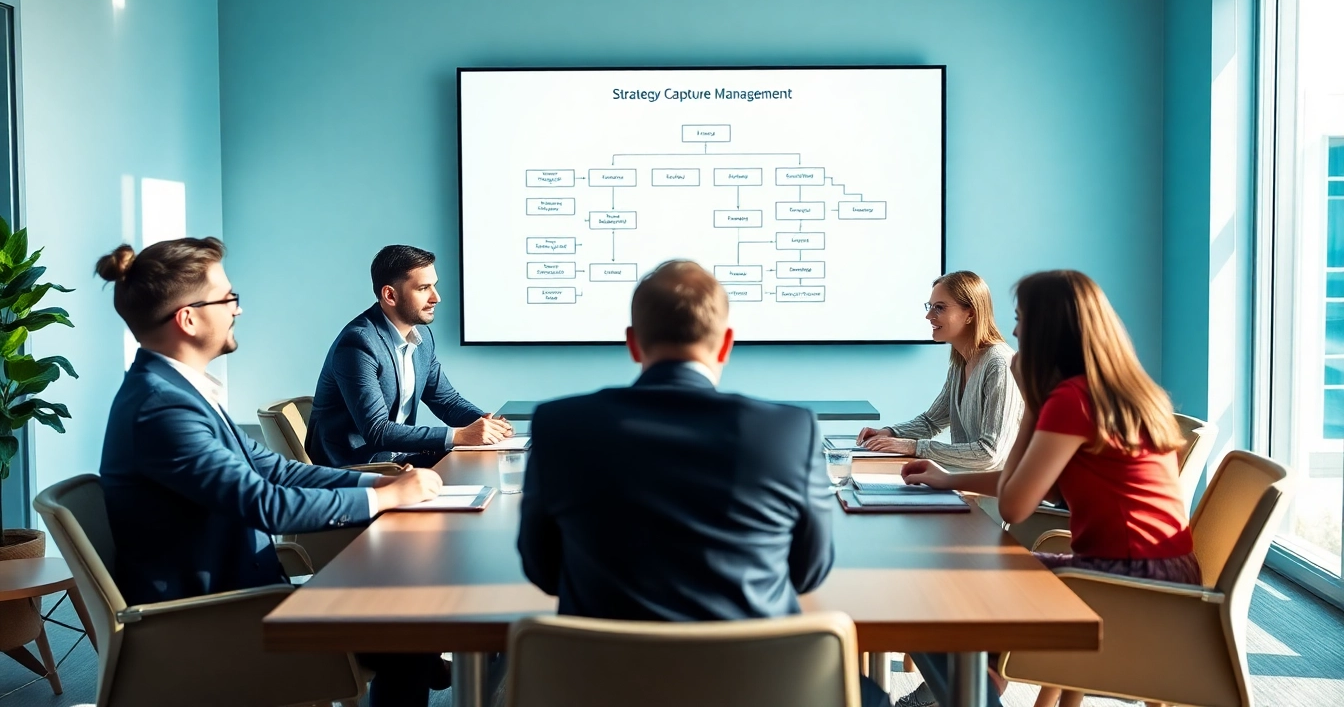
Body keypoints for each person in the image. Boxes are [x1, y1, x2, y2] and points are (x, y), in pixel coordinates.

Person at [517, 260, 888, 707]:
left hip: (600, 686)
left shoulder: (560, 424)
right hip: (763, 686)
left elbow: (542, 569)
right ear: (726, 344)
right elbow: (808, 573)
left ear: (633, 343)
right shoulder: (790, 429)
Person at [96, 238, 448, 707]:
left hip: (240, 592)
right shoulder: (161, 409)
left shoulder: (177, 391)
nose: (237, 310)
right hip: (214, 619)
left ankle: (435, 662)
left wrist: (377, 482)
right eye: (228, 299)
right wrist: (385, 499)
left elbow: (274, 468)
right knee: (406, 628)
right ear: (188, 318)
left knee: (406, 622)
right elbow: (265, 503)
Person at [894, 270, 1200, 707]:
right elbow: (1034, 485)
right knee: (965, 582)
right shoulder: (1116, 391)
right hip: (1162, 572)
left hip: (1129, 585)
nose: (1015, 331)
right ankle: (973, 691)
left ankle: (965, 694)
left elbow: (1017, 506)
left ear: (1050, 328)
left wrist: (1032, 405)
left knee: (945, 588)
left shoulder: (1070, 399)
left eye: (1022, 319)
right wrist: (948, 479)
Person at [307, 244, 511, 468]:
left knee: (485, 463)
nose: (436, 298)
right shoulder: (358, 344)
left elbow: (446, 402)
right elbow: (377, 431)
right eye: (423, 288)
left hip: (398, 458)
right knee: (468, 468)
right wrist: (459, 435)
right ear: (390, 295)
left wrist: (484, 422)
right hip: (357, 465)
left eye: (434, 286)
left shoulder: (421, 336)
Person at [857, 271, 1024, 471]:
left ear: (970, 313)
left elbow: (989, 454)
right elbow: (931, 421)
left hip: (993, 495)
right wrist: (890, 433)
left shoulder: (999, 365)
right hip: (963, 482)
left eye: (939, 308)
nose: (929, 316)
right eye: (930, 307)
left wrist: (914, 447)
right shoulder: (960, 362)